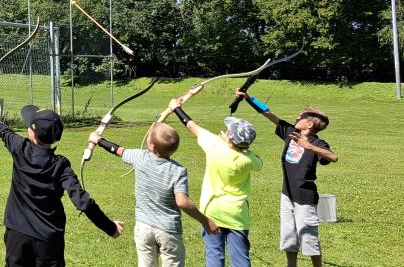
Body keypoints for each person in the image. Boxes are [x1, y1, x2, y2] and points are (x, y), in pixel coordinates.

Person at [0, 104, 124, 267]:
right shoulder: (61, 165)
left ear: (33, 132)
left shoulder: (20, 148)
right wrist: (111, 228)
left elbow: (0, 127)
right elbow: (83, 202)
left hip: (17, 235)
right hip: (48, 241)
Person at [88, 122, 220, 267]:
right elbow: (182, 201)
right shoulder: (178, 170)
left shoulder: (139, 157)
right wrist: (205, 221)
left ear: (151, 146)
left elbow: (116, 149)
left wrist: (98, 140)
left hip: (143, 228)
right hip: (169, 232)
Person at [235, 91, 338, 267]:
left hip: (305, 199)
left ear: (309, 124)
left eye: (301, 116)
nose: (297, 117)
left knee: (309, 239)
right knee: (289, 237)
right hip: (287, 195)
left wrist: (308, 146)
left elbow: (333, 157)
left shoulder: (318, 143)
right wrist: (248, 98)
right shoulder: (291, 132)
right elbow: (268, 113)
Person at [167, 98, 263, 267]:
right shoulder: (249, 160)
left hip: (212, 211)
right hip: (237, 215)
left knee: (214, 255)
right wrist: (239, 147)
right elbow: (259, 163)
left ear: (230, 137)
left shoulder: (215, 145)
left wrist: (176, 108)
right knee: (241, 258)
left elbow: (191, 126)